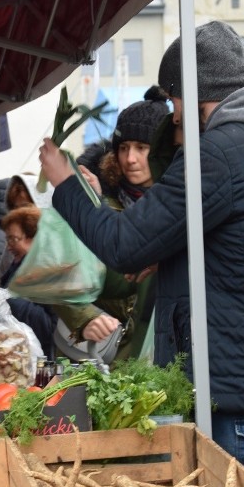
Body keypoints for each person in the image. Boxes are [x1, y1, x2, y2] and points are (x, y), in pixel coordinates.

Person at [39, 21, 244, 487]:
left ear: (190, 95)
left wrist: (67, 184)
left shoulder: (216, 154)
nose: (174, 114)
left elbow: (123, 245)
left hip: (241, 390)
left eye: (173, 100)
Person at [55, 87, 170, 361]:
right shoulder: (96, 204)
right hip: (107, 360)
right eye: (123, 148)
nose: (130, 159)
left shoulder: (182, 207)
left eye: (141, 148)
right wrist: (85, 317)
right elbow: (57, 274)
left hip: (167, 358)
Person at [0, 206, 57, 355]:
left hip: (39, 358)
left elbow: (47, 324)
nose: (9, 245)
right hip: (18, 350)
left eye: (14, 239)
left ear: (33, 238)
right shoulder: (20, 264)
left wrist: (3, 297)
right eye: (7, 239)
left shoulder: (47, 271)